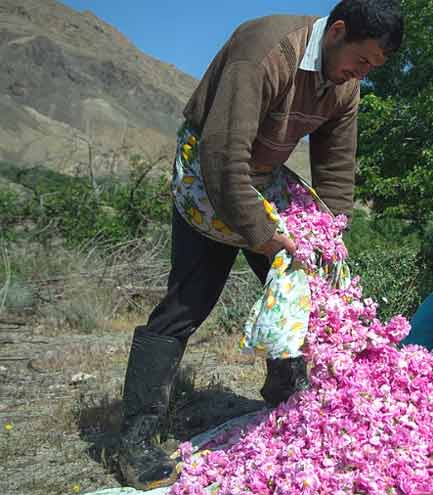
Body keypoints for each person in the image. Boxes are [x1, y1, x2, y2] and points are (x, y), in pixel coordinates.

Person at [118, 1, 404, 489]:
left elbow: (335, 168)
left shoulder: (345, 86)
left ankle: (287, 395)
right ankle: (136, 440)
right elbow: (224, 154)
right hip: (209, 170)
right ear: (337, 31)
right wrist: (265, 239)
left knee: (305, 288)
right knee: (187, 303)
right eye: (363, 60)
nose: (364, 73)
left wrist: (331, 235)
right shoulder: (266, 52)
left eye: (375, 68)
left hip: (264, 175)